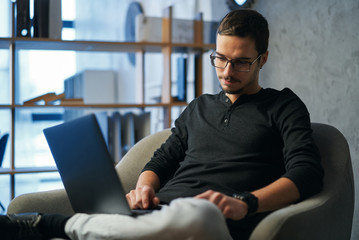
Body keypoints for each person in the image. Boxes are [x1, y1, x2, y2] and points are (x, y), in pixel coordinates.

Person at [0, 9, 323, 240]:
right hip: (157, 216)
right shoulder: (198, 107)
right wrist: (144, 188)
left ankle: (54, 226)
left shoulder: (283, 105)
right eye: (220, 58)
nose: (226, 70)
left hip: (215, 222)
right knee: (145, 217)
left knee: (201, 213)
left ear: (262, 59)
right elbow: (162, 158)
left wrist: (245, 203)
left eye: (240, 62)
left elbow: (306, 174)